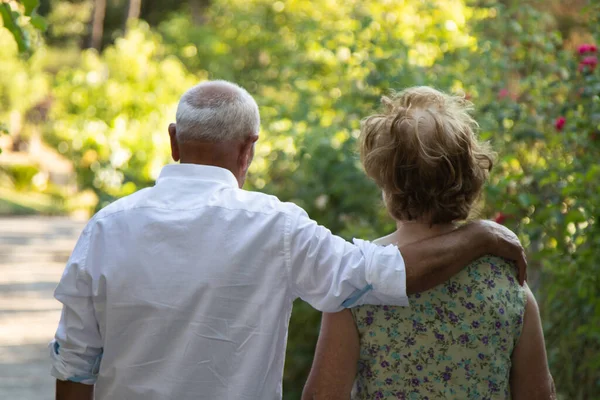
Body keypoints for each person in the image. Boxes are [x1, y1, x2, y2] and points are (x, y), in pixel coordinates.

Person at [50, 81, 527, 400]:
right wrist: (479, 235)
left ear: (174, 141)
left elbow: (75, 364)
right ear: (248, 148)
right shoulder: (274, 226)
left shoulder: (106, 228)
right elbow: (382, 273)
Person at [302, 87, 554, 400]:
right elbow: (539, 394)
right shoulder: (510, 281)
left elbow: (323, 396)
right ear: (472, 178)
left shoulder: (358, 279)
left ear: (386, 182)